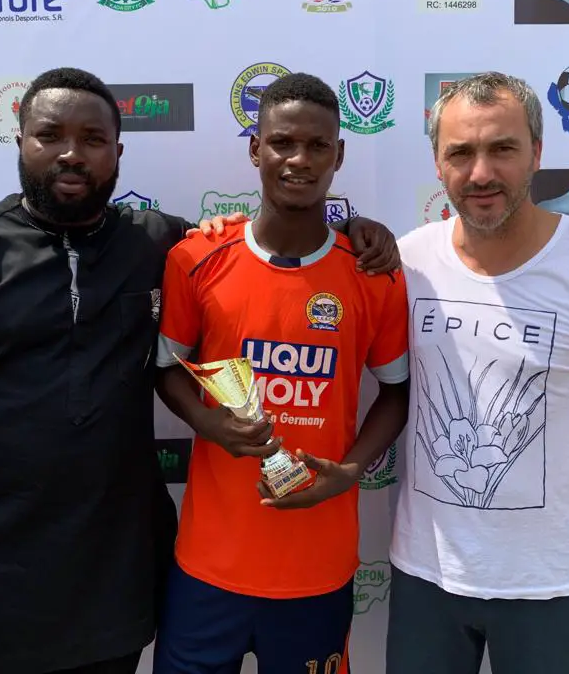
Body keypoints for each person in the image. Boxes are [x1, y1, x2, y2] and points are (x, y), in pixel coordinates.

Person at [0, 66, 400, 674]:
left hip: (117, 589)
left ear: (118, 153)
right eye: (49, 135)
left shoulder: (158, 244)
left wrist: (356, 232)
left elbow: (273, 242)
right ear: (21, 141)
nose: (71, 153)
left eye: (93, 139)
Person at [387, 72, 569, 674]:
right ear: (438, 163)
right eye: (461, 153)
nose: (481, 173)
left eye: (502, 148)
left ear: (537, 153)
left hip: (550, 579)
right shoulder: (409, 260)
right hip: (428, 574)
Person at [152, 73, 411, 674]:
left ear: (338, 155)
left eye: (317, 146)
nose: (299, 159)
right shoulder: (196, 259)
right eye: (282, 143)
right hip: (208, 566)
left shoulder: (373, 274)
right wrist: (209, 425)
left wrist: (351, 471)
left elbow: (396, 393)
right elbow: (165, 371)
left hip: (316, 570)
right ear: (255, 149)